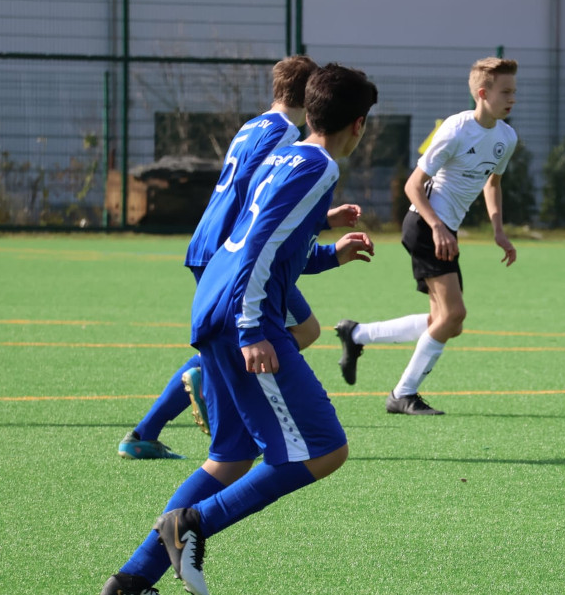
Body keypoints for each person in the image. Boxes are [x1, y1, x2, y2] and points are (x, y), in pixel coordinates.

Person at [101, 63, 378, 595]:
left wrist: (329, 255)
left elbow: (267, 239)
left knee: (230, 456)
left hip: (214, 303)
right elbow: (261, 246)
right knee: (325, 448)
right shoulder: (319, 166)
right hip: (242, 317)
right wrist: (252, 331)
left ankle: (132, 580)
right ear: (359, 124)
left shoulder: (285, 153)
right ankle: (191, 526)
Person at [118, 55, 361, 460]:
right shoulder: (287, 135)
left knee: (271, 335)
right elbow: (262, 205)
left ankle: (148, 430)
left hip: (213, 243)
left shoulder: (256, 124)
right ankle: (221, 395)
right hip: (236, 253)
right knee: (301, 330)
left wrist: (320, 220)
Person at [334, 57, 518, 415]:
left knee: (449, 322)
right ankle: (402, 394)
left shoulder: (506, 138)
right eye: (506, 91)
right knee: (452, 315)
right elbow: (412, 185)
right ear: (482, 93)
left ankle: (356, 335)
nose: (513, 98)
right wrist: (437, 227)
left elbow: (492, 183)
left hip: (443, 229)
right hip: (424, 226)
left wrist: (498, 229)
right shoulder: (455, 128)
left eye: (514, 91)